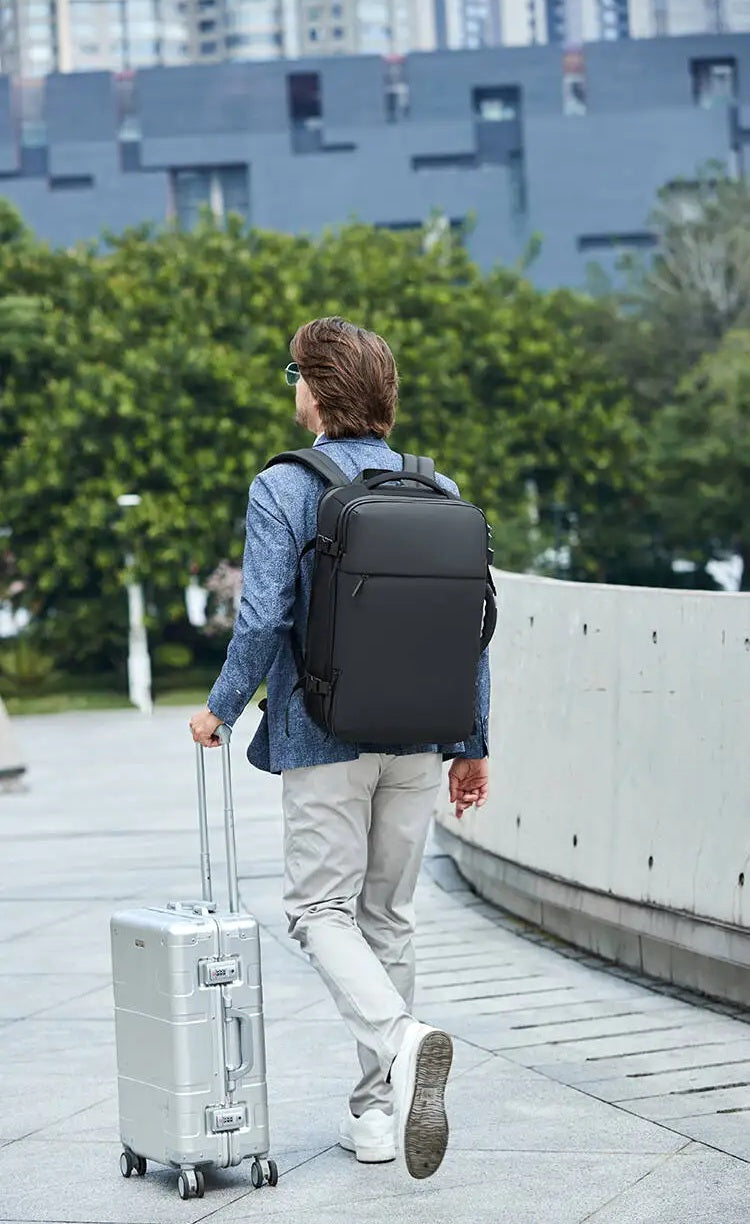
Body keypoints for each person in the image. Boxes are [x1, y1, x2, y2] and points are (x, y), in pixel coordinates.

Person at [190, 316, 490, 1180]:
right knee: (386, 917)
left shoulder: (285, 486)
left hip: (324, 737)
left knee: (319, 913)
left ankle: (400, 1044)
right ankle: (375, 1115)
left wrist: (219, 709)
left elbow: (264, 617)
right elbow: (472, 630)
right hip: (420, 740)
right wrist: (471, 740)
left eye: (294, 372)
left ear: (317, 391)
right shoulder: (441, 489)